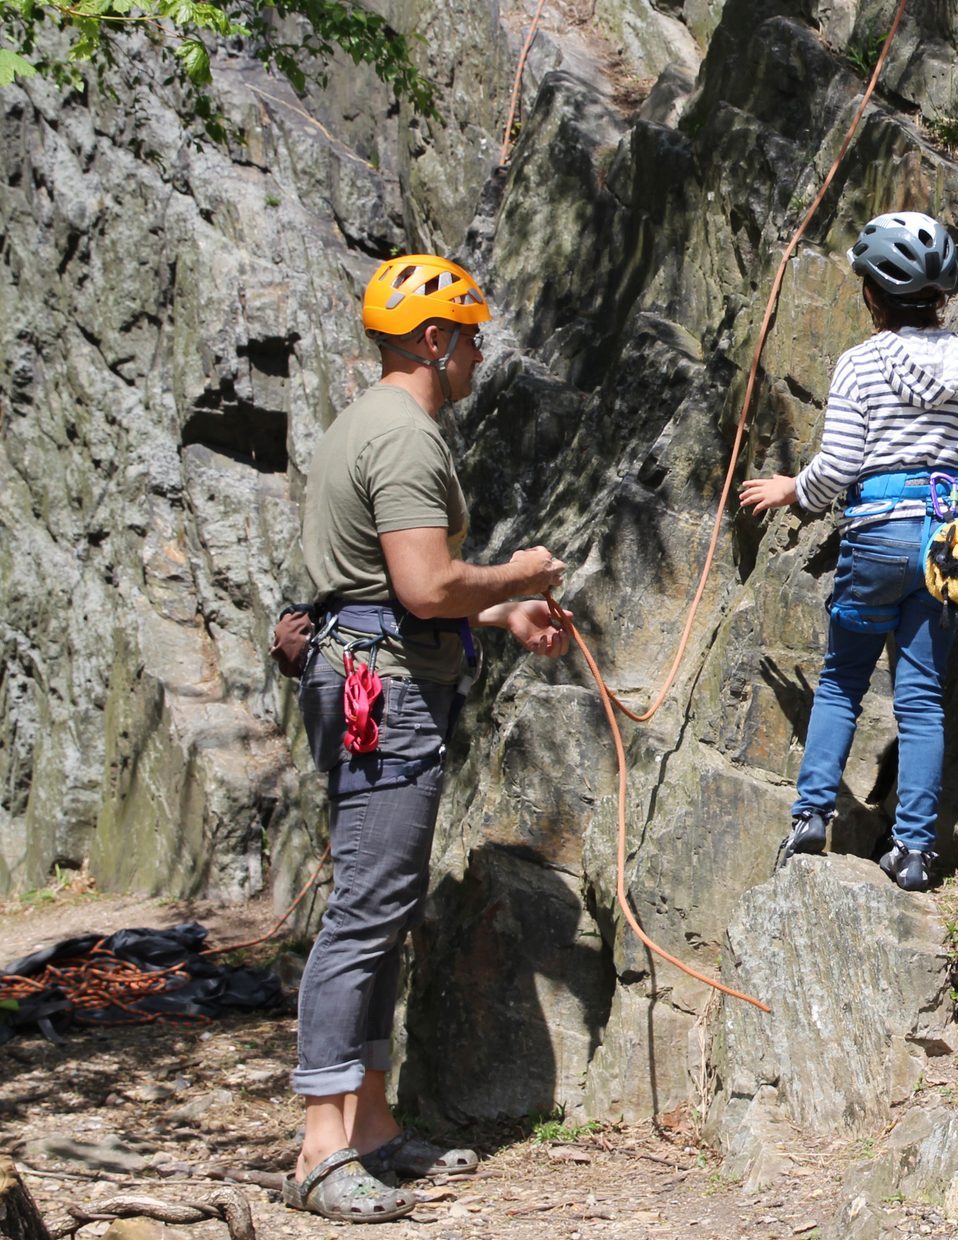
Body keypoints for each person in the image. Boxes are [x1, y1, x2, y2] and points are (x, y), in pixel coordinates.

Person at [285, 254, 571, 1222]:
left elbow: (376, 588)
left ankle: (367, 1124)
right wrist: (515, 573)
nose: (481, 356)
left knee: (381, 902)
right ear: (434, 338)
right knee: (366, 910)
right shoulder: (406, 439)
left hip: (374, 670)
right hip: (389, 693)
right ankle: (322, 1145)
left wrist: (498, 618)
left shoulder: (363, 425)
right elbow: (423, 586)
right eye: (473, 336)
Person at [740, 212, 958, 892]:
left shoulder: (859, 365)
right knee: (921, 701)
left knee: (841, 681)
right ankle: (913, 852)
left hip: (877, 533)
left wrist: (789, 490)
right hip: (944, 540)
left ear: (871, 295)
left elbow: (835, 470)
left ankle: (809, 816)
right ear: (941, 296)